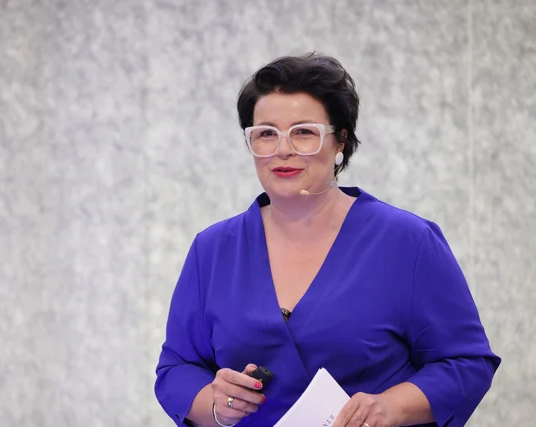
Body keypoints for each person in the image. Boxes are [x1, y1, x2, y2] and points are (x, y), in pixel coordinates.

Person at [154, 52, 501, 427]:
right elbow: (176, 369)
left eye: (304, 132)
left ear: (340, 142)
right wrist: (216, 404)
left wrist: (389, 408)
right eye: (266, 134)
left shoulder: (408, 242)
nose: (283, 149)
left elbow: (467, 363)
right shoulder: (212, 250)